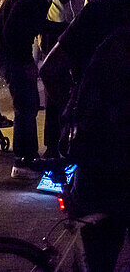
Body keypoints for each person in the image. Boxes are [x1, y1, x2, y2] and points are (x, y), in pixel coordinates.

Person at [0, 0, 82, 178]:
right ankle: (24, 160)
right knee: (26, 104)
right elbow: (13, 31)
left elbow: (35, 24)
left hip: (10, 52)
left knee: (28, 104)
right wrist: (26, 63)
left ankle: (27, 157)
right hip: (10, 54)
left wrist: (63, 29)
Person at [63, 23, 130, 272]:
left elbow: (52, 68)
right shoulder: (121, 45)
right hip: (112, 165)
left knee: (95, 259)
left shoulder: (112, 38)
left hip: (92, 160)